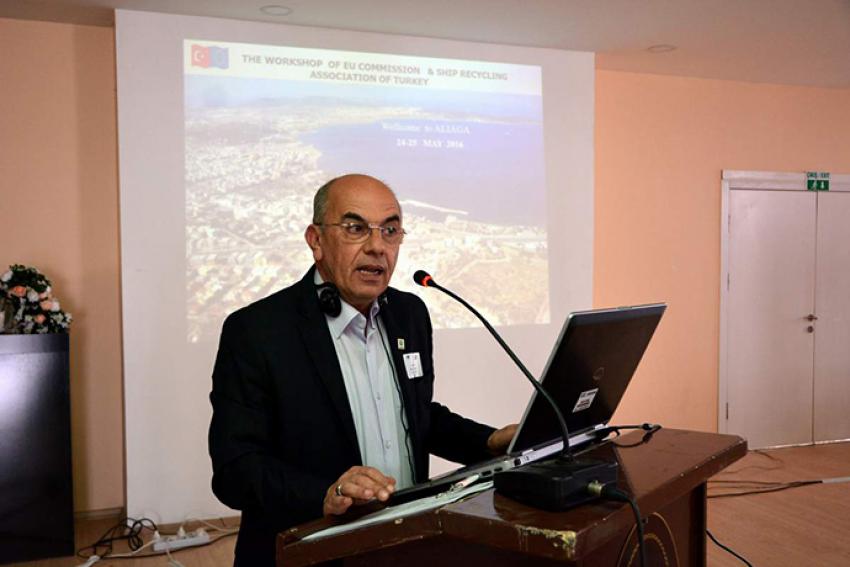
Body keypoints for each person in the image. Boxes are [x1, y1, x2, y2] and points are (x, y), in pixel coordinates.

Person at [209, 174, 516, 566]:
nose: (377, 246)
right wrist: (326, 493)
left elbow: (416, 417)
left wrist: (489, 441)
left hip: (407, 545)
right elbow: (235, 470)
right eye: (355, 228)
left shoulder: (409, 314)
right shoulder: (257, 331)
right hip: (308, 552)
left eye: (390, 231)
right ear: (316, 240)